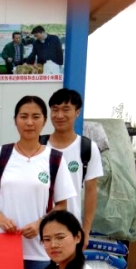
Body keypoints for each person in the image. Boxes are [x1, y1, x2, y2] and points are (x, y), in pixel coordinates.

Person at [0, 95, 76, 269]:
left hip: (38, 249)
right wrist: (1, 219)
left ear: (44, 121)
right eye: (23, 116)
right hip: (3, 245)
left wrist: (40, 224)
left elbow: (62, 205)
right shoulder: (1, 154)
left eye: (35, 117)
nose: (29, 122)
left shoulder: (54, 159)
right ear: (15, 120)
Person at [45, 88, 103, 246]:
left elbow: (91, 192)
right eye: (55, 110)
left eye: (66, 110)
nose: (59, 115)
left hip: (70, 229)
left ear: (77, 112)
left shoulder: (88, 148)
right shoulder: (39, 145)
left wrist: (86, 230)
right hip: (38, 228)